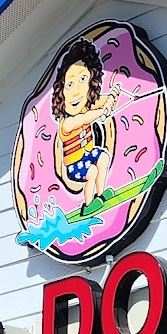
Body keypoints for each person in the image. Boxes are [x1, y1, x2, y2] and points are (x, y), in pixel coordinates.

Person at [48, 34, 120, 212]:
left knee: (103, 157)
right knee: (92, 173)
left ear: (91, 84)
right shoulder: (67, 122)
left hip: (88, 154)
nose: (76, 90)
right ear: (61, 91)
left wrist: (112, 96)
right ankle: (87, 206)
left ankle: (101, 194)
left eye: (82, 80)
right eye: (69, 84)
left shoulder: (84, 107)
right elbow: (84, 119)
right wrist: (102, 112)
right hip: (75, 165)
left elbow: (97, 102)